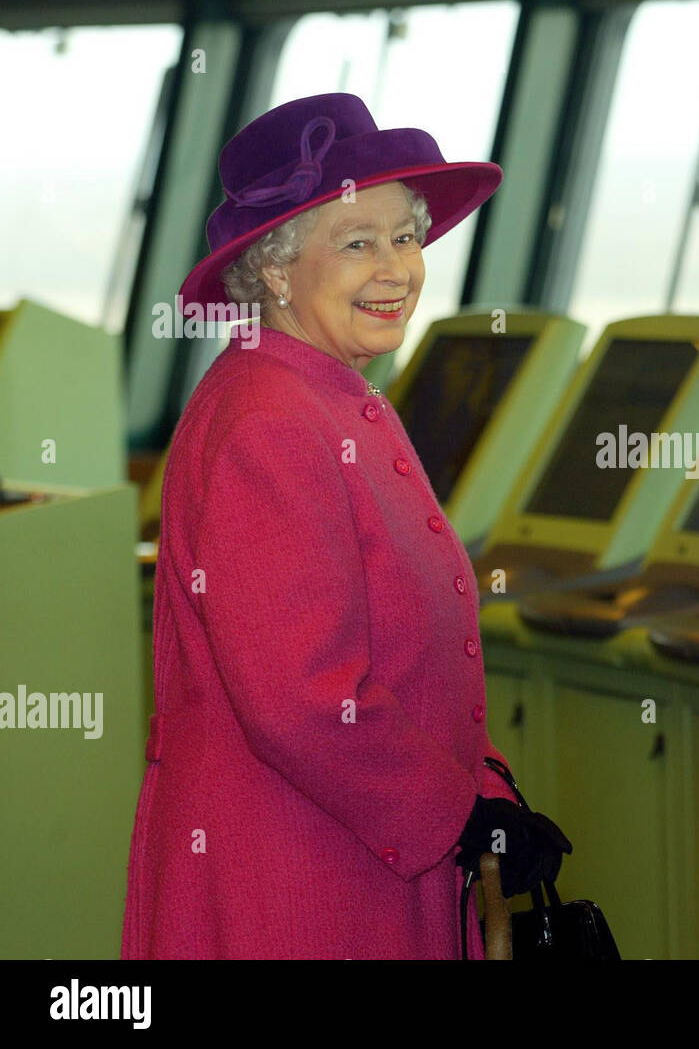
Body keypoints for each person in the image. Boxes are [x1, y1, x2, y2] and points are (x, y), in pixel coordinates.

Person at [121, 93, 568, 959]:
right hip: (297, 884)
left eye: (405, 237)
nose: (397, 268)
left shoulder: (321, 393)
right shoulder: (270, 419)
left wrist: (486, 795)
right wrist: (458, 816)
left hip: (357, 854)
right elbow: (304, 701)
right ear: (277, 269)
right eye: (358, 243)